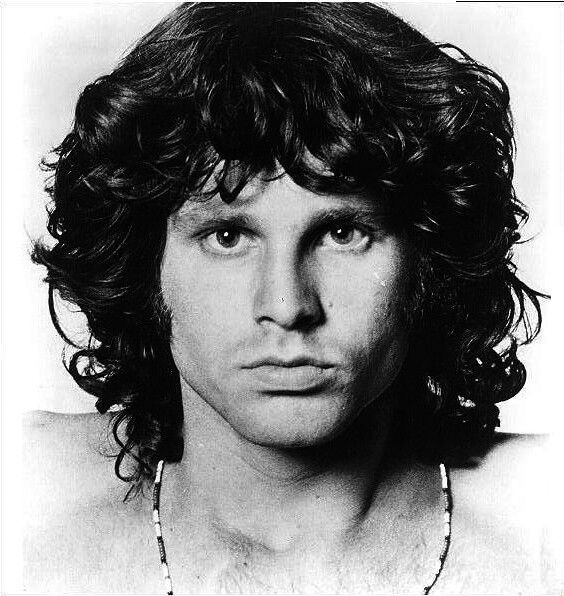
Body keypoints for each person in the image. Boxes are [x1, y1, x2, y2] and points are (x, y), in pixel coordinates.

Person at [24, 3, 560, 594]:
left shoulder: (545, 524)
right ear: (143, 268)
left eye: (342, 233)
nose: (286, 304)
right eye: (227, 236)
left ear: (429, 265)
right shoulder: (27, 502)